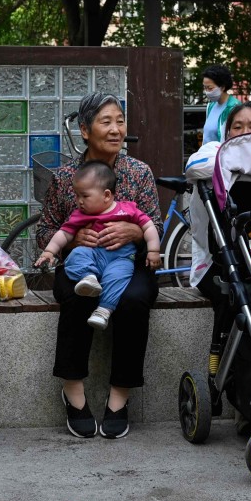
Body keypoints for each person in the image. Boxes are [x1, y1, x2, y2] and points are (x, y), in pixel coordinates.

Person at [36, 92, 162, 440]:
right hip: (81, 264)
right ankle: (73, 393)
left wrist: (136, 231)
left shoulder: (139, 173)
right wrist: (74, 240)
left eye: (120, 121)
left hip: (127, 264)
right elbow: (45, 229)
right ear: (85, 130)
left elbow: (156, 225)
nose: (116, 129)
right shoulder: (65, 178)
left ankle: (119, 398)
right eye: (106, 121)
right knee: (77, 297)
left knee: (135, 299)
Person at [35, 160, 162, 331]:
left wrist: (153, 250)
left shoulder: (127, 209)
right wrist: (50, 251)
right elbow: (63, 234)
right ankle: (88, 277)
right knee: (78, 254)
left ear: (107, 195)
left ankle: (104, 310)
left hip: (121, 258)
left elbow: (150, 226)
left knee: (117, 278)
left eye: (85, 196)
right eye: (77, 196)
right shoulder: (80, 215)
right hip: (93, 256)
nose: (79, 201)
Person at [184, 101, 251, 332]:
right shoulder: (213, 150)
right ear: (227, 132)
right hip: (219, 262)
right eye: (238, 127)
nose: (245, 134)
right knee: (236, 294)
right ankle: (241, 367)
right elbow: (195, 168)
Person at [200, 64, 242, 143]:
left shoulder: (235, 107)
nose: (207, 92)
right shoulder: (211, 106)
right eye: (205, 88)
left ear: (222, 87)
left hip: (222, 154)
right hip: (208, 154)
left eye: (210, 88)